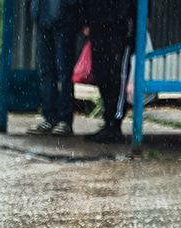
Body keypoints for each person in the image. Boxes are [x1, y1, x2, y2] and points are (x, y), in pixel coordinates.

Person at [81, 0, 137, 144]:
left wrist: (142, 16)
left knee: (118, 73)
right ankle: (109, 121)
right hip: (99, 20)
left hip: (122, 20)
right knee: (100, 72)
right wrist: (86, 19)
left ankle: (115, 123)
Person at [27, 0, 79, 136]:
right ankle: (50, 117)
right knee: (46, 71)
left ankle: (64, 120)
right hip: (44, 18)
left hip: (63, 20)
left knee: (64, 72)